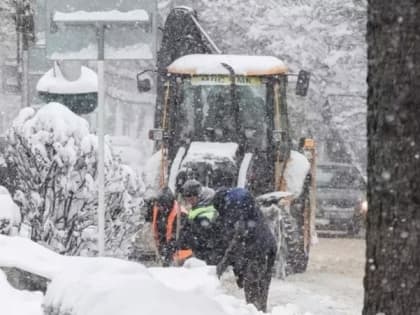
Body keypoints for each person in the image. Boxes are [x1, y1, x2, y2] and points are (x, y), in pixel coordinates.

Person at [213, 187, 277, 313]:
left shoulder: (235, 210)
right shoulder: (246, 205)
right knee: (262, 288)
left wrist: (223, 264)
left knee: (252, 288)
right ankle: (261, 311)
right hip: (269, 246)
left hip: (258, 249)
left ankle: (254, 311)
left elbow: (238, 239)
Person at [177, 179, 220, 265]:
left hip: (201, 260)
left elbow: (202, 242)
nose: (188, 199)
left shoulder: (205, 215)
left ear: (198, 196)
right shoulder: (196, 211)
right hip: (195, 258)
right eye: (186, 196)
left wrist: (190, 256)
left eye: (190, 195)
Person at [150, 187, 192, 266]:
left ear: (169, 203)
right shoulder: (158, 209)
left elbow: (178, 238)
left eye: (163, 206)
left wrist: (168, 254)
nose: (161, 208)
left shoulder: (181, 215)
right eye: (160, 206)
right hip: (165, 251)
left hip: (181, 257)